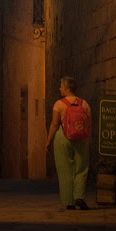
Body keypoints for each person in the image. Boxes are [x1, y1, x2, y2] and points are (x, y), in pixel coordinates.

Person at [46, 76, 92, 210]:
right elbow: (89, 125)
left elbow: (55, 124)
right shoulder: (84, 104)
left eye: (61, 86)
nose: (59, 88)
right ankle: (79, 196)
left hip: (63, 137)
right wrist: (90, 140)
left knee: (64, 169)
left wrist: (48, 141)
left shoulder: (59, 104)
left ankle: (69, 202)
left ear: (67, 89)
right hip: (81, 138)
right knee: (82, 168)